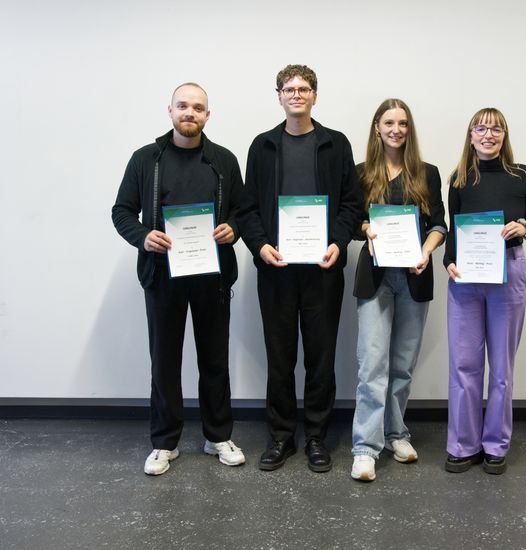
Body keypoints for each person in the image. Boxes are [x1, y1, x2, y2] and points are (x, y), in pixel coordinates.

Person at [112, 83, 245, 475]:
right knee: (164, 361)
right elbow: (122, 211)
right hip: (162, 275)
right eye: (183, 106)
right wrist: (143, 236)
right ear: (169, 110)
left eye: (198, 108)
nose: (190, 113)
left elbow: (243, 211)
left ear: (208, 115)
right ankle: (164, 442)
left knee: (214, 359)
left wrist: (232, 229)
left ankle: (217, 436)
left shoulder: (223, 160)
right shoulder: (145, 160)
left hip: (212, 275)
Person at [237, 65, 361, 473]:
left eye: (304, 88)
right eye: (289, 89)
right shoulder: (262, 146)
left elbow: (351, 205)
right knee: (280, 356)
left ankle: (317, 438)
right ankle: (280, 437)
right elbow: (248, 207)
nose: (296, 95)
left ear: (314, 95)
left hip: (323, 268)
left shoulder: (335, 145)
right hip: (276, 268)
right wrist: (260, 247)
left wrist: (338, 243)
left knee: (321, 357)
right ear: (279, 96)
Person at [350, 99, 447, 482]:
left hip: (414, 276)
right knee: (372, 364)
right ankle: (364, 448)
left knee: (402, 365)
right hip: (375, 277)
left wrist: (426, 250)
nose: (396, 129)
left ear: (410, 128)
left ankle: (396, 433)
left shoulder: (428, 173)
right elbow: (352, 219)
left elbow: (440, 224)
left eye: (403, 123)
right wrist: (365, 231)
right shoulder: (361, 174)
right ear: (377, 127)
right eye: (389, 122)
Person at [443, 107, 526, 475]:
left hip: (509, 273)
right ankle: (463, 445)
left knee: (501, 366)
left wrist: (523, 228)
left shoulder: (522, 175)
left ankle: (495, 445)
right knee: (464, 364)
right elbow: (454, 231)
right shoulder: (458, 180)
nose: (489, 134)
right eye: (481, 128)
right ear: (470, 136)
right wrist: (448, 262)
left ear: (505, 136)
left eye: (496, 129)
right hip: (465, 279)